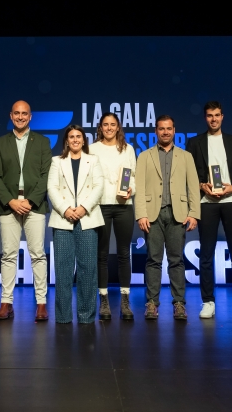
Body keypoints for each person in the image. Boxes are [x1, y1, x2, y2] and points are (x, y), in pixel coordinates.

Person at [186, 101, 232, 319]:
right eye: (209, 115)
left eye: (217, 115)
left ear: (222, 117)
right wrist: (202, 185)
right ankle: (208, 301)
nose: (213, 119)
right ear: (205, 118)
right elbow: (188, 174)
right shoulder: (194, 143)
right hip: (206, 203)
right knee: (206, 255)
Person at [0, 100, 52, 321]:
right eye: (16, 113)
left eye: (24, 113)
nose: (20, 117)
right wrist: (11, 201)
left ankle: (41, 303)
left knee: (38, 254)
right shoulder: (0, 143)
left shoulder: (42, 142)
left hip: (35, 204)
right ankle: (6, 303)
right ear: (11, 115)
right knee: (8, 255)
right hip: (9, 205)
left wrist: (31, 200)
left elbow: (46, 175)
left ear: (30, 116)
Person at [135, 115, 200, 320]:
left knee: (176, 260)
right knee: (153, 260)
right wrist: (141, 214)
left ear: (174, 130)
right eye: (161, 129)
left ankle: (179, 303)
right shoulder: (144, 156)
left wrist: (194, 213)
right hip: (152, 214)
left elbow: (193, 187)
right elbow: (139, 187)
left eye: (169, 128)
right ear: (156, 131)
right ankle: (151, 303)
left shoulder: (186, 156)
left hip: (177, 214)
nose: (165, 132)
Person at [47, 125, 105, 323]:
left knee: (87, 270)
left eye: (78, 136)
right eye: (71, 137)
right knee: (63, 271)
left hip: (87, 219)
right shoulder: (57, 161)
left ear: (83, 139)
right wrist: (65, 209)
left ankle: (86, 316)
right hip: (63, 219)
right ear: (66, 140)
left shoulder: (93, 160)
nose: (75, 140)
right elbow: (52, 188)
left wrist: (83, 208)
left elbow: (98, 187)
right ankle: (63, 316)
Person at [89, 112, 137, 320]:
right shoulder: (92, 149)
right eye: (105, 124)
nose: (109, 128)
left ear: (118, 127)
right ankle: (104, 301)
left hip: (123, 206)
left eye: (113, 124)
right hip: (100, 206)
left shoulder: (128, 149)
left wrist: (131, 190)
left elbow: (133, 177)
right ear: (100, 127)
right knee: (101, 255)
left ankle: (125, 301)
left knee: (124, 254)